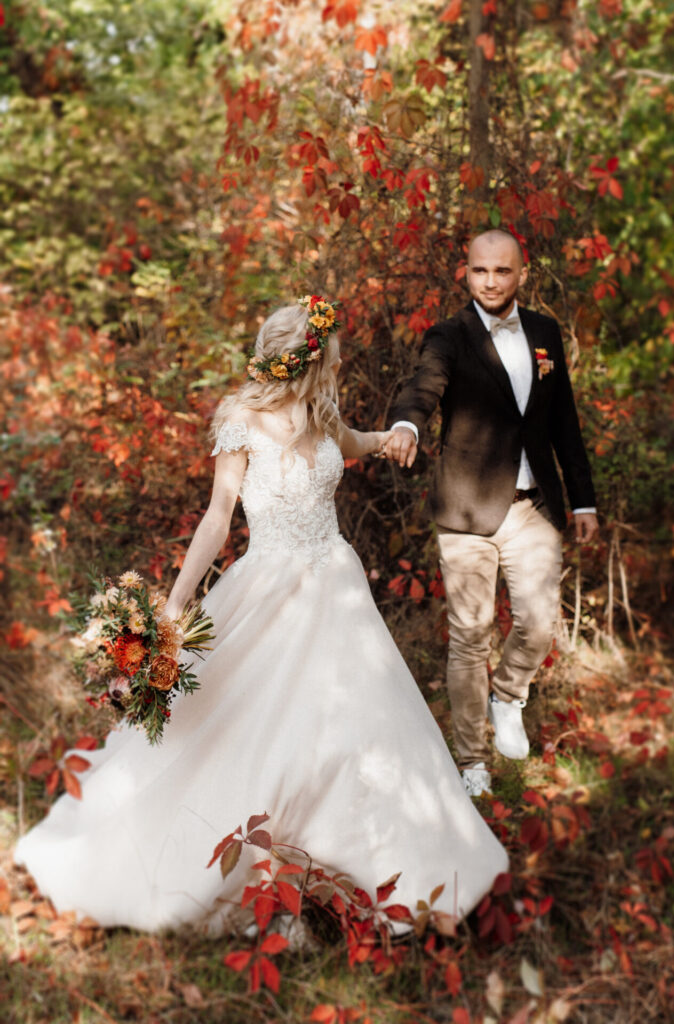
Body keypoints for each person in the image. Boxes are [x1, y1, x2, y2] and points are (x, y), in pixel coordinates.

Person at [14, 299, 508, 935]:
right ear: (308, 356)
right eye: (330, 353)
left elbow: (358, 444)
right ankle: (266, 865)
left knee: (361, 718)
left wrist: (395, 437)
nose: (338, 362)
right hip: (269, 586)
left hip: (337, 584)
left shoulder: (324, 416)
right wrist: (174, 601)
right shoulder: (240, 420)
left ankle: (371, 859)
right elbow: (219, 516)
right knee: (254, 721)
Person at [384, 231, 599, 798]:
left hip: (534, 506)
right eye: (481, 271)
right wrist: (407, 424)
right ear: (467, 273)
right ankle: (472, 760)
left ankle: (509, 696)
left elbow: (564, 425)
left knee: (538, 623)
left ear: (521, 274)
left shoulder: (546, 334)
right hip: (466, 508)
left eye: (502, 272)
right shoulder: (450, 336)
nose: (491, 282)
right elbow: (422, 386)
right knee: (470, 636)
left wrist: (583, 499)